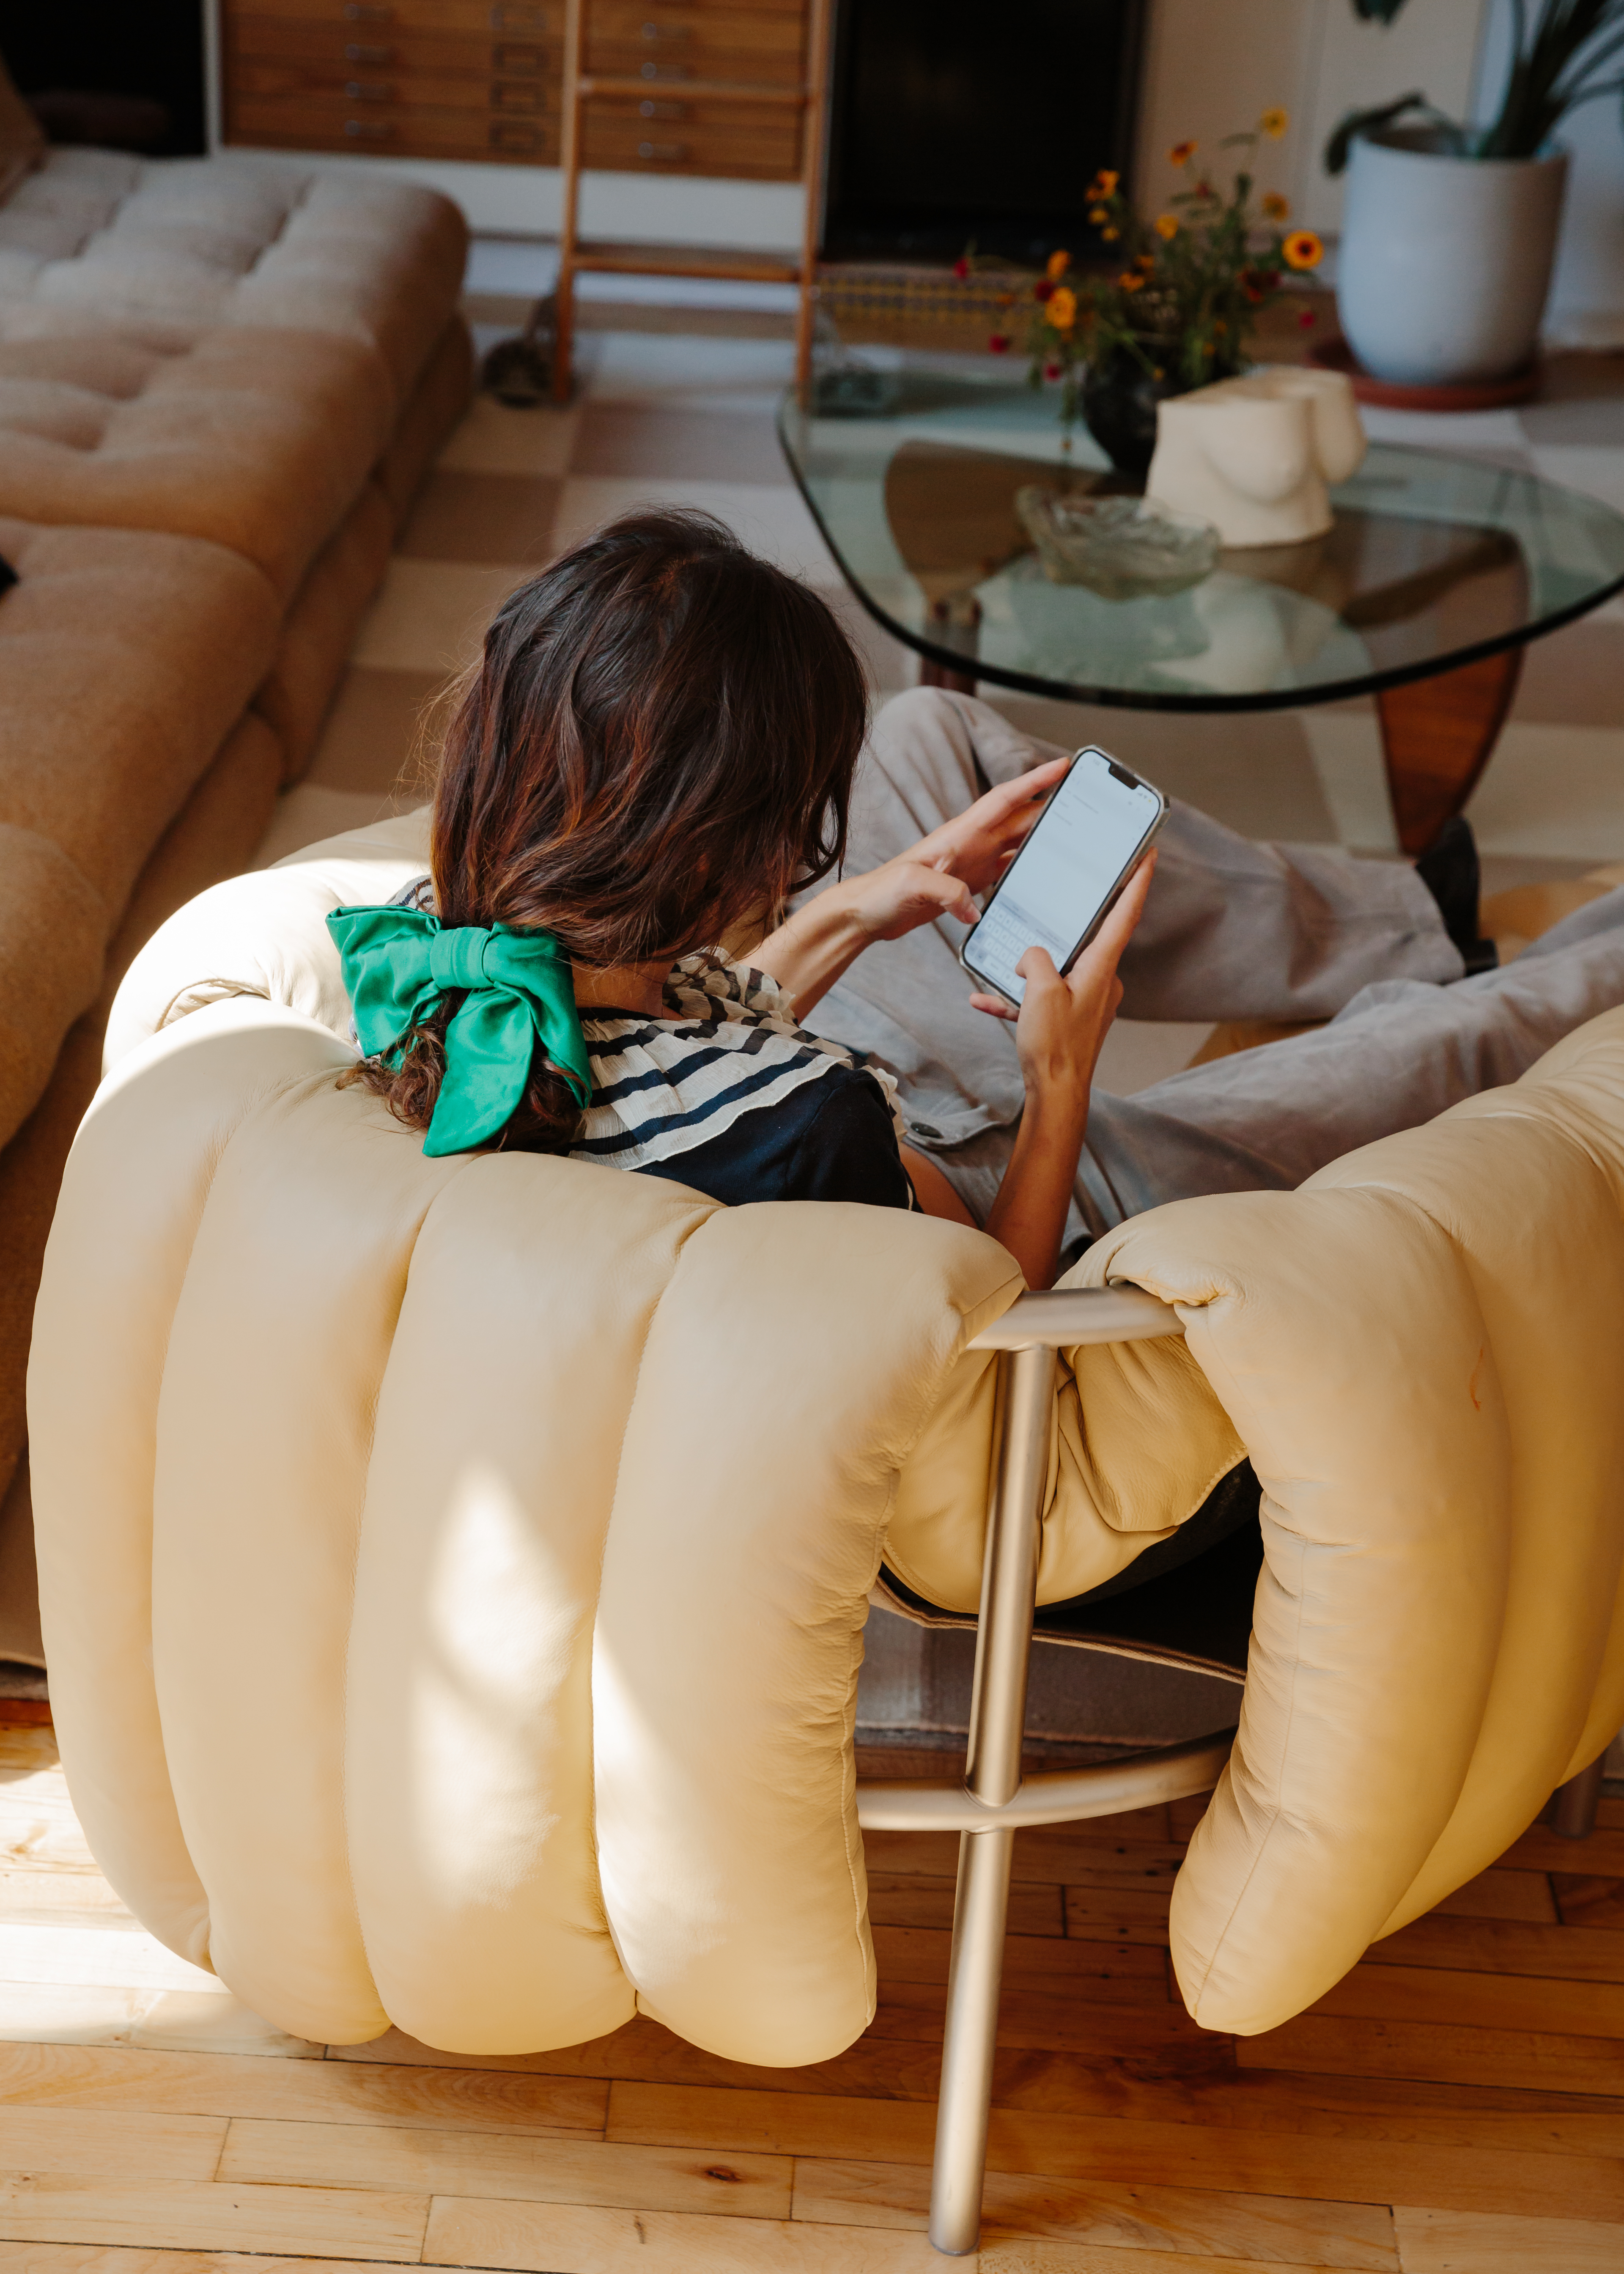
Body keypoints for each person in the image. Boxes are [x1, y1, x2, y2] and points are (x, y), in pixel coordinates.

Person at [332, 508, 1624, 1292]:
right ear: (719, 854)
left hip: (823, 1086)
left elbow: (689, 1056)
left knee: (924, 732)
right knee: (1424, 1052)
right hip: (989, 1167)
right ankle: (1519, 962)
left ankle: (1418, 921)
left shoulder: (443, 945)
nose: (808, 852)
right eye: (797, 830)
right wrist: (1064, 1073)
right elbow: (997, 1292)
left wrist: (859, 906)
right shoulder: (804, 1120)